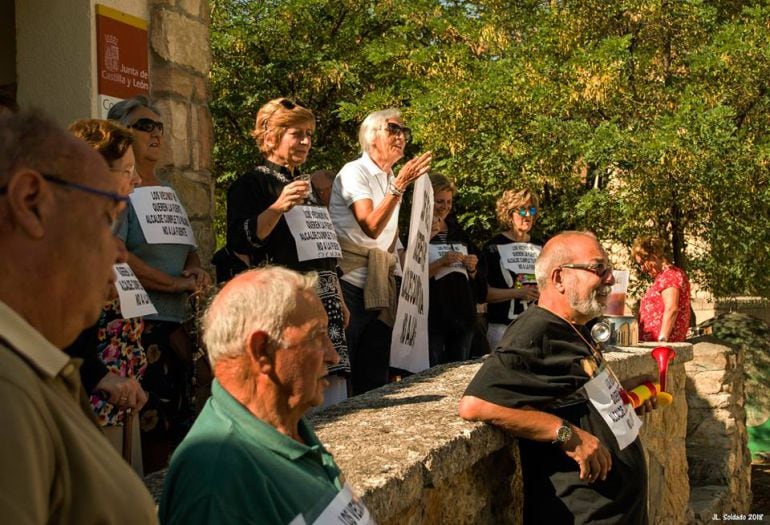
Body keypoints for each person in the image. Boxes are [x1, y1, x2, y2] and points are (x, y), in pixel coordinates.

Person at [0, 111, 157, 523]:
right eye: (106, 218)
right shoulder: (8, 389)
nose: (119, 252)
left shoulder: (36, 371)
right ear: (31, 203)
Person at [459, 231, 655, 524]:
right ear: (559, 278)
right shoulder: (535, 331)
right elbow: (475, 405)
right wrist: (566, 433)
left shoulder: (575, 325)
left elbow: (570, 389)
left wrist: (620, 393)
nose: (610, 279)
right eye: (598, 268)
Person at [160, 267, 371, 524]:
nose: (333, 355)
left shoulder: (287, 426)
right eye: (317, 336)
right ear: (262, 351)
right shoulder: (217, 481)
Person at [108, 95, 212, 472]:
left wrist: (195, 271)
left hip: (177, 326)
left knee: (179, 426)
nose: (154, 133)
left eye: (159, 127)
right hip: (141, 328)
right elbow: (115, 249)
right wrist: (170, 284)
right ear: (120, 133)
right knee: (152, 432)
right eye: (143, 125)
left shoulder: (168, 190)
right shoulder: (121, 191)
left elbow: (188, 247)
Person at [226, 98, 350, 406]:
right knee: (296, 390)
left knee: (332, 389)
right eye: (297, 133)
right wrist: (278, 207)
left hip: (326, 303)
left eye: (309, 133)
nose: (306, 141)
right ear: (271, 137)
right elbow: (240, 242)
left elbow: (322, 247)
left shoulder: (304, 185)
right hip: (286, 304)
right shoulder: (251, 183)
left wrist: (340, 297)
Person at [329, 108, 432, 394]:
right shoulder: (354, 172)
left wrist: (409, 283)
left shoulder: (391, 178)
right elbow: (371, 226)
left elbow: (390, 238)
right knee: (343, 372)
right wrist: (399, 187)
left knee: (375, 375)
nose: (402, 137)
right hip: (349, 283)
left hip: (382, 282)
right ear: (372, 136)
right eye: (394, 130)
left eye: (404, 132)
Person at [65, 118, 148, 473]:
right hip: (85, 401)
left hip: (117, 392)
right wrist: (98, 375)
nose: (137, 179)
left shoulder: (99, 226)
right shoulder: (66, 234)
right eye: (128, 169)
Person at [427, 173, 487, 365]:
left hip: (463, 315)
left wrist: (472, 269)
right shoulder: (414, 231)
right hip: (433, 317)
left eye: (449, 202)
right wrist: (441, 262)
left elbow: (479, 286)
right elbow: (409, 275)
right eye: (439, 201)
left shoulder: (458, 231)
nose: (445, 207)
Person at [483, 188, 543, 350]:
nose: (528, 216)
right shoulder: (493, 248)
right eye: (522, 210)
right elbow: (484, 294)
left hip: (535, 327)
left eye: (531, 210)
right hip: (502, 329)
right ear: (509, 214)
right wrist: (518, 292)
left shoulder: (542, 247)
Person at [632, 235, 691, 343]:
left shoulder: (670, 275)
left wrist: (662, 341)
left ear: (653, 257)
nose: (642, 269)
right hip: (654, 345)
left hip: (661, 348)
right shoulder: (664, 276)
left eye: (642, 263)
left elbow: (671, 309)